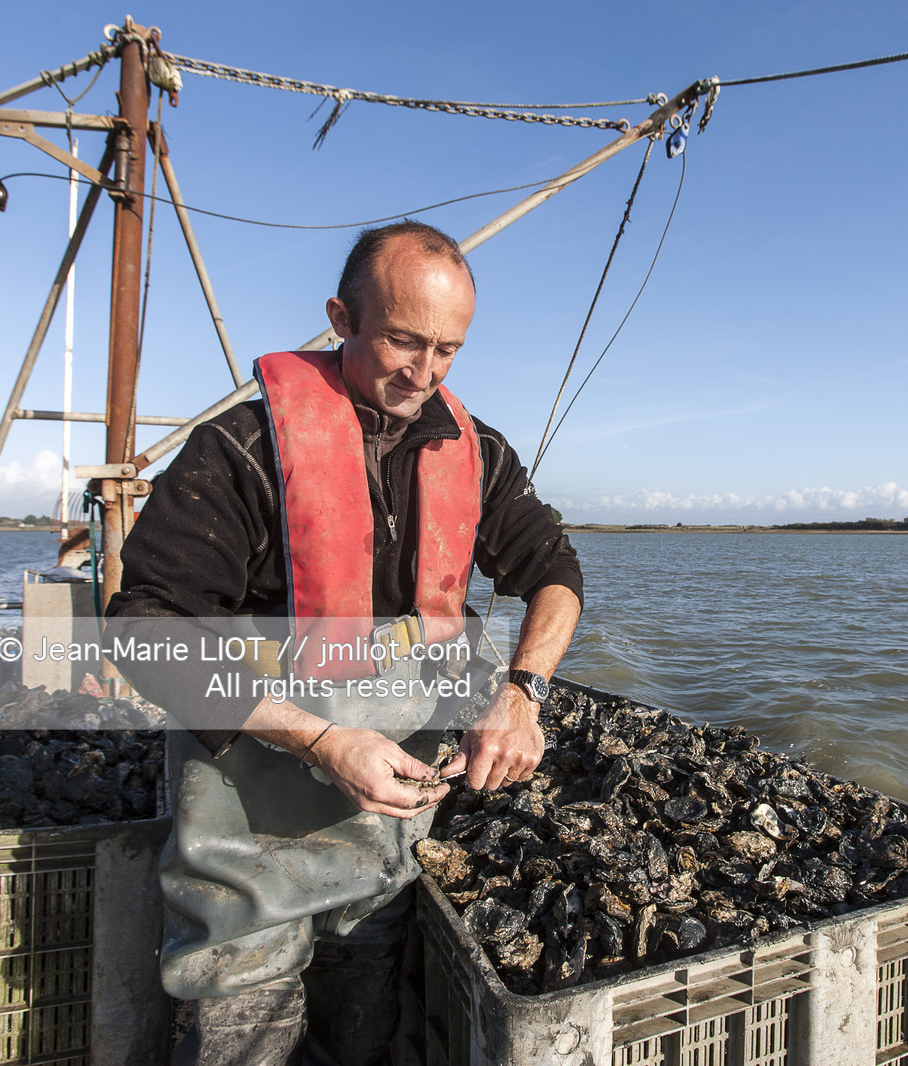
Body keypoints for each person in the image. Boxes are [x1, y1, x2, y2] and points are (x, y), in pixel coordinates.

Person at [106, 220, 583, 1065]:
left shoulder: (479, 454)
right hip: (248, 820)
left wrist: (523, 693)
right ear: (341, 318)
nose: (423, 372)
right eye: (403, 340)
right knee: (241, 1027)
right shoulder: (241, 450)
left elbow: (555, 573)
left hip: (384, 836)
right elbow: (144, 629)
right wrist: (322, 739)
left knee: (362, 1020)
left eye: (447, 350)